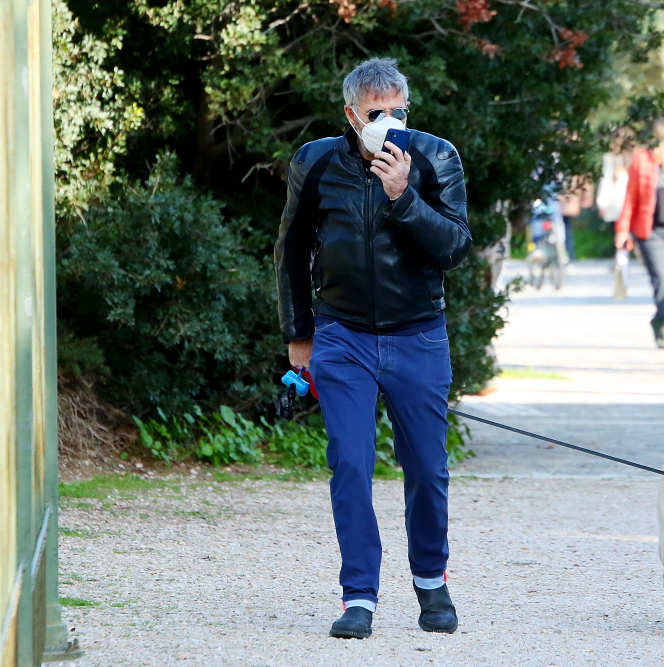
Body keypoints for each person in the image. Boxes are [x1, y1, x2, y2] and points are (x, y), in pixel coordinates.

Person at [274, 58, 470, 639]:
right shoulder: (315, 162)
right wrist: (299, 336)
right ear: (351, 115)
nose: (389, 122)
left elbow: (456, 247)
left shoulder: (435, 157)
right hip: (342, 334)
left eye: (399, 111)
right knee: (351, 465)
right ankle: (358, 593)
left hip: (418, 334)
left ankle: (431, 583)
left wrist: (403, 195)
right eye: (377, 113)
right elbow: (289, 251)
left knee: (429, 469)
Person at [614, 118, 664, 348]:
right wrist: (622, 229)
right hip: (651, 230)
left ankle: (658, 318)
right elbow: (631, 196)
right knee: (662, 281)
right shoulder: (643, 159)